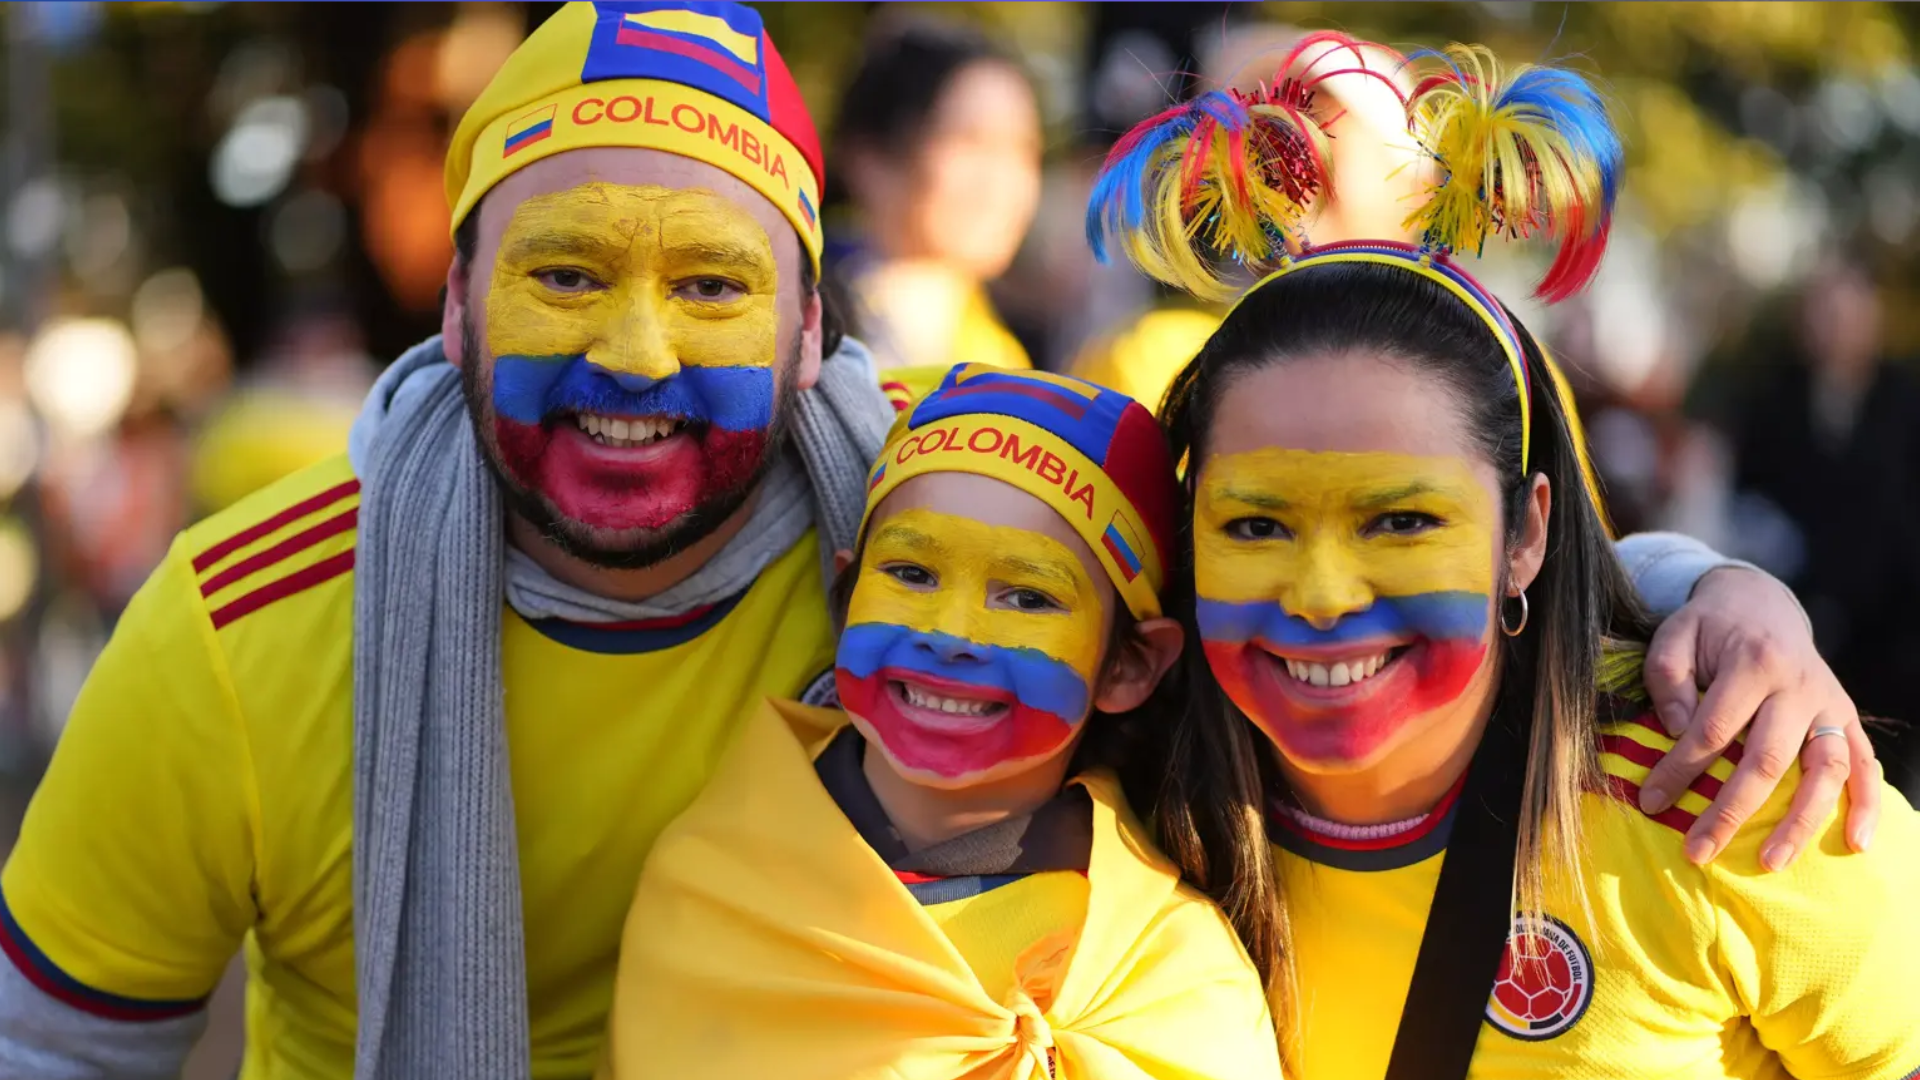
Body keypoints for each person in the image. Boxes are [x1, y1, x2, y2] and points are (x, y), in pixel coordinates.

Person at [0, 6, 1877, 1079]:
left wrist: (1713, 597)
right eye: (565, 275)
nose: (635, 357)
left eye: (712, 288)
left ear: (820, 334)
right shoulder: (252, 627)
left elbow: (1294, 544)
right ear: (459, 299)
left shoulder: (926, 524)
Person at [1088, 38, 1920, 1078]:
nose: (1322, 596)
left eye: (1401, 523)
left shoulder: (1741, 791)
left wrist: (1727, 587)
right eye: (1255, 526)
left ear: (1525, 531)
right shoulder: (1118, 820)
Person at [599, 366, 1280, 1080]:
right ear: (845, 597)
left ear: (1130, 665)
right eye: (912, 574)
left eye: (1027, 597)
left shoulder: (1170, 972)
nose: (952, 634)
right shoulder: (709, 881)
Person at [1734, 252, 1920, 796]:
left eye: (1846, 311)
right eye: (1822, 312)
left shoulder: (1905, 401)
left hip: (1894, 630)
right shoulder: (1774, 401)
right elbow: (1751, 497)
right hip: (1804, 623)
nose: (1834, 326)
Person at [827, 23, 1041, 372]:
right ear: (870, 158)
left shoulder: (1005, 359)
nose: (1003, 181)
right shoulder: (801, 327)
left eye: (1025, 150)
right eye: (971, 141)